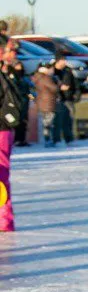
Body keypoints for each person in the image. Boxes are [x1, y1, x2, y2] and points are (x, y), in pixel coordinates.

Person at [0, 42, 22, 231]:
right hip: (4, 128)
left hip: (1, 129)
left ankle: (5, 219)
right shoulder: (6, 76)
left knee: (1, 174)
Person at [2, 41, 30, 147]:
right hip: (8, 100)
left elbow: (24, 85)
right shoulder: (6, 68)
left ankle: (20, 139)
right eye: (11, 51)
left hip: (20, 99)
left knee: (21, 120)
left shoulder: (18, 70)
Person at [52, 52, 78, 145]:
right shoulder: (53, 72)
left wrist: (77, 94)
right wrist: (59, 88)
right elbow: (50, 85)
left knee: (69, 121)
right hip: (58, 100)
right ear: (58, 61)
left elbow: (75, 83)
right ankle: (56, 140)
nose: (65, 62)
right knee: (57, 121)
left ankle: (69, 139)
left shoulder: (67, 71)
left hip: (68, 98)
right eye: (63, 60)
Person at [32, 63, 59, 147]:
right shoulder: (46, 78)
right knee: (48, 123)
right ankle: (48, 140)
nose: (52, 71)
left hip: (41, 102)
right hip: (48, 103)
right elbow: (54, 88)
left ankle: (46, 139)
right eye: (51, 69)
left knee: (45, 122)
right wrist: (58, 84)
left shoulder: (37, 77)